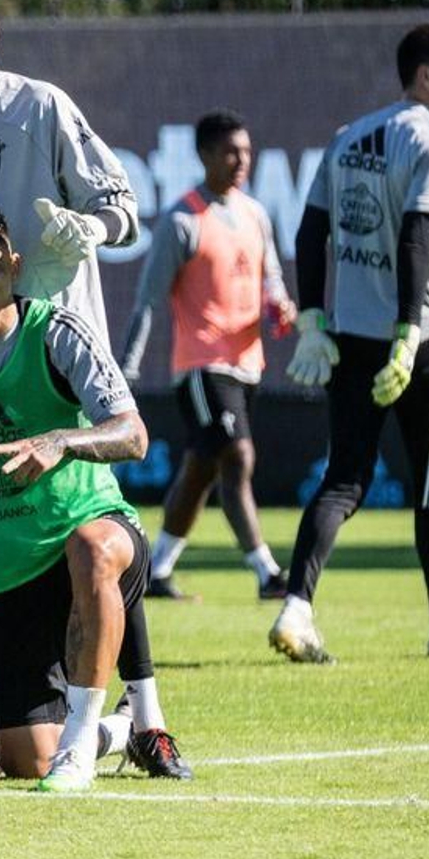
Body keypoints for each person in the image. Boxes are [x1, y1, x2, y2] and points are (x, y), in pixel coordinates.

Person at [0, 0, 186, 781]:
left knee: (93, 528)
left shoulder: (41, 105)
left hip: (49, 347)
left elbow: (123, 205)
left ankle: (148, 720)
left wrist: (85, 227)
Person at [0, 205, 175, 792]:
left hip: (97, 538)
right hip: (7, 578)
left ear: (15, 267)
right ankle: (115, 730)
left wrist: (62, 441)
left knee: (92, 549)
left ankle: (79, 748)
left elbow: (134, 434)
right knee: (27, 760)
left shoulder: (58, 331)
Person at [272, 22, 429, 663]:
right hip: (425, 344)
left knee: (343, 483)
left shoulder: (347, 136)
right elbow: (415, 239)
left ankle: (296, 609)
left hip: (350, 337)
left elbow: (308, 233)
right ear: (427, 77)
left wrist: (315, 320)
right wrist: (409, 334)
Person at [120, 109, 296, 601]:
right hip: (202, 367)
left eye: (246, 151)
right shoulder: (181, 220)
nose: (241, 160)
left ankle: (154, 571)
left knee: (202, 468)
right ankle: (267, 574)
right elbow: (149, 301)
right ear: (204, 156)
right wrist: (127, 370)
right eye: (230, 152)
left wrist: (279, 306)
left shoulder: (255, 214)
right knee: (237, 455)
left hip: (247, 365)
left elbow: (272, 279)